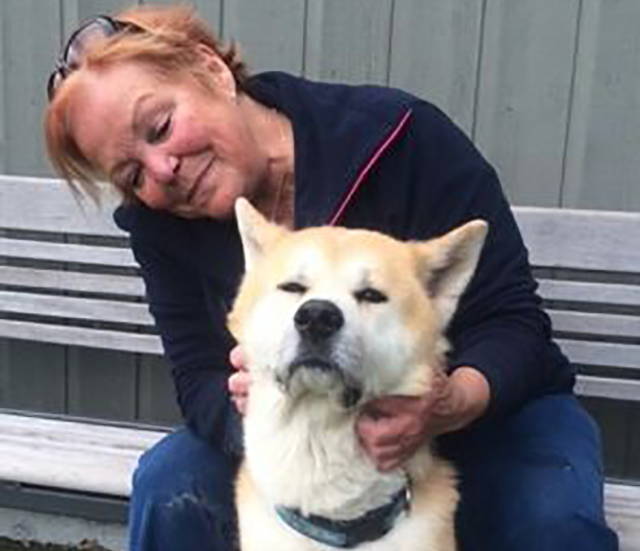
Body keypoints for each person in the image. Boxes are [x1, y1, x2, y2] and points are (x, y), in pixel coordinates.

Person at [43, 5, 618, 551]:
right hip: (305, 425)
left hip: (486, 414)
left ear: (212, 70)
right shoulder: (162, 225)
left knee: (552, 517)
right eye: (131, 173)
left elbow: (511, 319)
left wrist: (446, 402)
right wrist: (253, 403)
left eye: (161, 126)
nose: (162, 170)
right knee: (171, 487)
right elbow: (198, 377)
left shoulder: (400, 138)